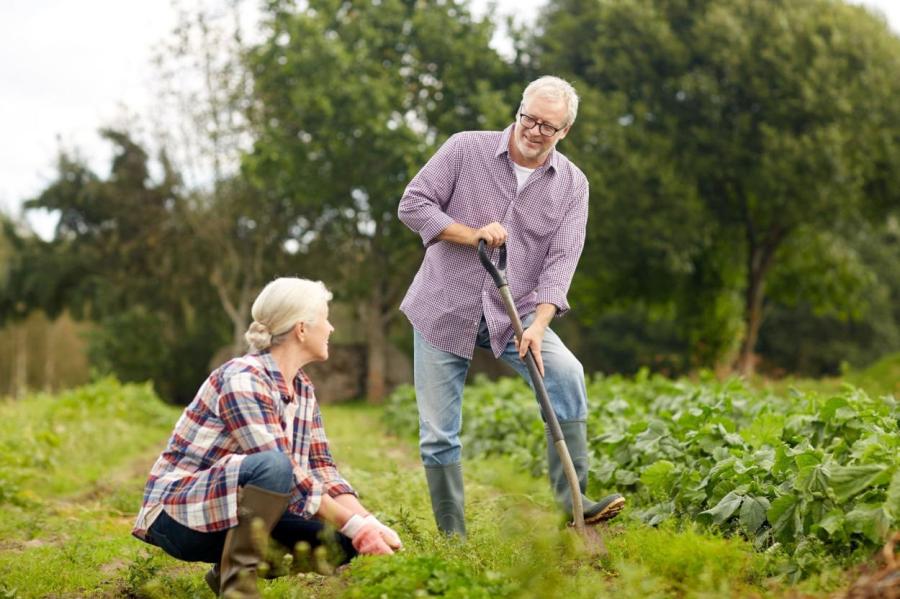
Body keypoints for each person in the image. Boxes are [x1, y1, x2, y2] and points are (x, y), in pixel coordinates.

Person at [397, 76, 625, 537]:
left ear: (565, 132)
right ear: (519, 111)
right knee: (440, 432)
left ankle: (575, 503)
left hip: (515, 313)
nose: (535, 130)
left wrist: (540, 325)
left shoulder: (573, 186)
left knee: (566, 374)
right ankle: (453, 540)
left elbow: (561, 261)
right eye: (530, 118)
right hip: (444, 305)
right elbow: (413, 204)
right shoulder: (465, 149)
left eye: (549, 126)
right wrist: (471, 233)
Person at [132, 277, 401, 598]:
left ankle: (224, 572)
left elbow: (322, 469)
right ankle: (238, 588)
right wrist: (357, 526)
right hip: (179, 516)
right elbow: (283, 471)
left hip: (232, 513)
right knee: (274, 467)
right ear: (302, 329)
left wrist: (366, 524)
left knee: (341, 542)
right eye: (325, 319)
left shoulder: (302, 390)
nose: (330, 328)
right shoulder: (243, 379)